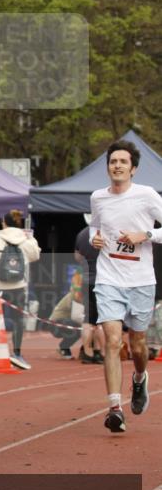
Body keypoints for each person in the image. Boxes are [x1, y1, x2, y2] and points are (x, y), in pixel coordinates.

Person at [90, 139, 162, 433]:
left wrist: (144, 235)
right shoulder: (97, 197)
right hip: (109, 278)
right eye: (112, 161)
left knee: (138, 345)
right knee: (112, 340)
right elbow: (96, 225)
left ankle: (140, 377)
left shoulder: (146, 195)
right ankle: (115, 407)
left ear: (133, 169)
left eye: (122, 162)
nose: (117, 166)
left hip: (141, 281)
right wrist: (95, 237)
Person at [0, 209, 41, 369]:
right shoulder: (25, 240)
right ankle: (17, 353)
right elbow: (35, 255)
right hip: (19, 286)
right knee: (18, 321)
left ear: (3, 223)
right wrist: (31, 238)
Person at [74, 225, 105, 364]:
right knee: (102, 320)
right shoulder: (106, 232)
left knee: (88, 320)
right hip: (104, 280)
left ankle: (87, 352)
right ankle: (101, 352)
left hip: (87, 280)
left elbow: (77, 256)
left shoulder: (82, 234)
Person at [48, 269, 83, 358]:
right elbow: (77, 317)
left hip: (67, 320)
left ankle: (88, 350)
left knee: (89, 327)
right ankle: (64, 347)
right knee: (83, 328)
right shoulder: (76, 295)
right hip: (56, 324)